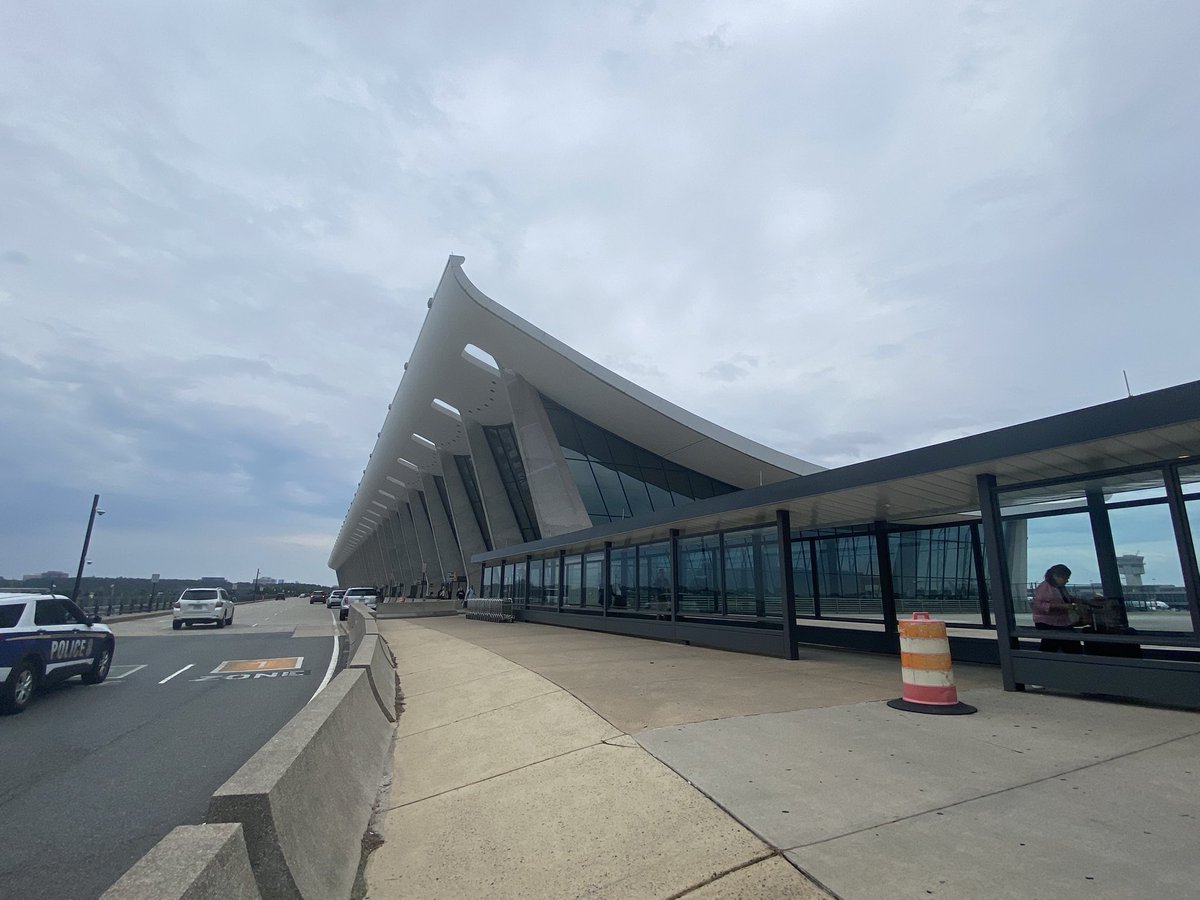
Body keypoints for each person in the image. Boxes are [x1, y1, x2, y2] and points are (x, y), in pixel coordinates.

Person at [1032, 564, 1084, 653]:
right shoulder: (1045, 587)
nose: (1067, 580)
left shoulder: (1060, 587)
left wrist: (1080, 600)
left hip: (1060, 622)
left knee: (1054, 645)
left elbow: (1066, 598)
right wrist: (1062, 606)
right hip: (1048, 622)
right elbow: (1038, 605)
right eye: (1065, 578)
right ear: (1056, 576)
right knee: (1063, 644)